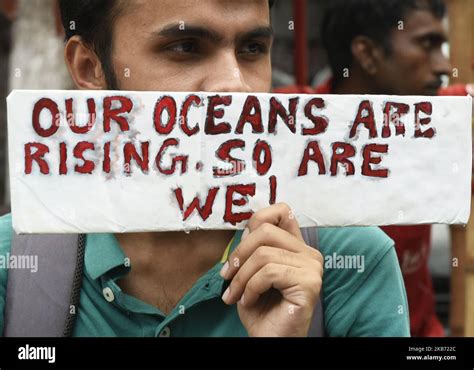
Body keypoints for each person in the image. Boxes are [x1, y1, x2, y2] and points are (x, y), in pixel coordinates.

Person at [0, 0, 409, 337]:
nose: (234, 85)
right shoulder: (14, 260)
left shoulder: (351, 259)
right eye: (185, 47)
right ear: (90, 69)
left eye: (251, 49)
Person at [276, 0, 464, 337]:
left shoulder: (449, 120)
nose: (444, 66)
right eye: (427, 44)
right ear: (367, 53)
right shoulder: (283, 129)